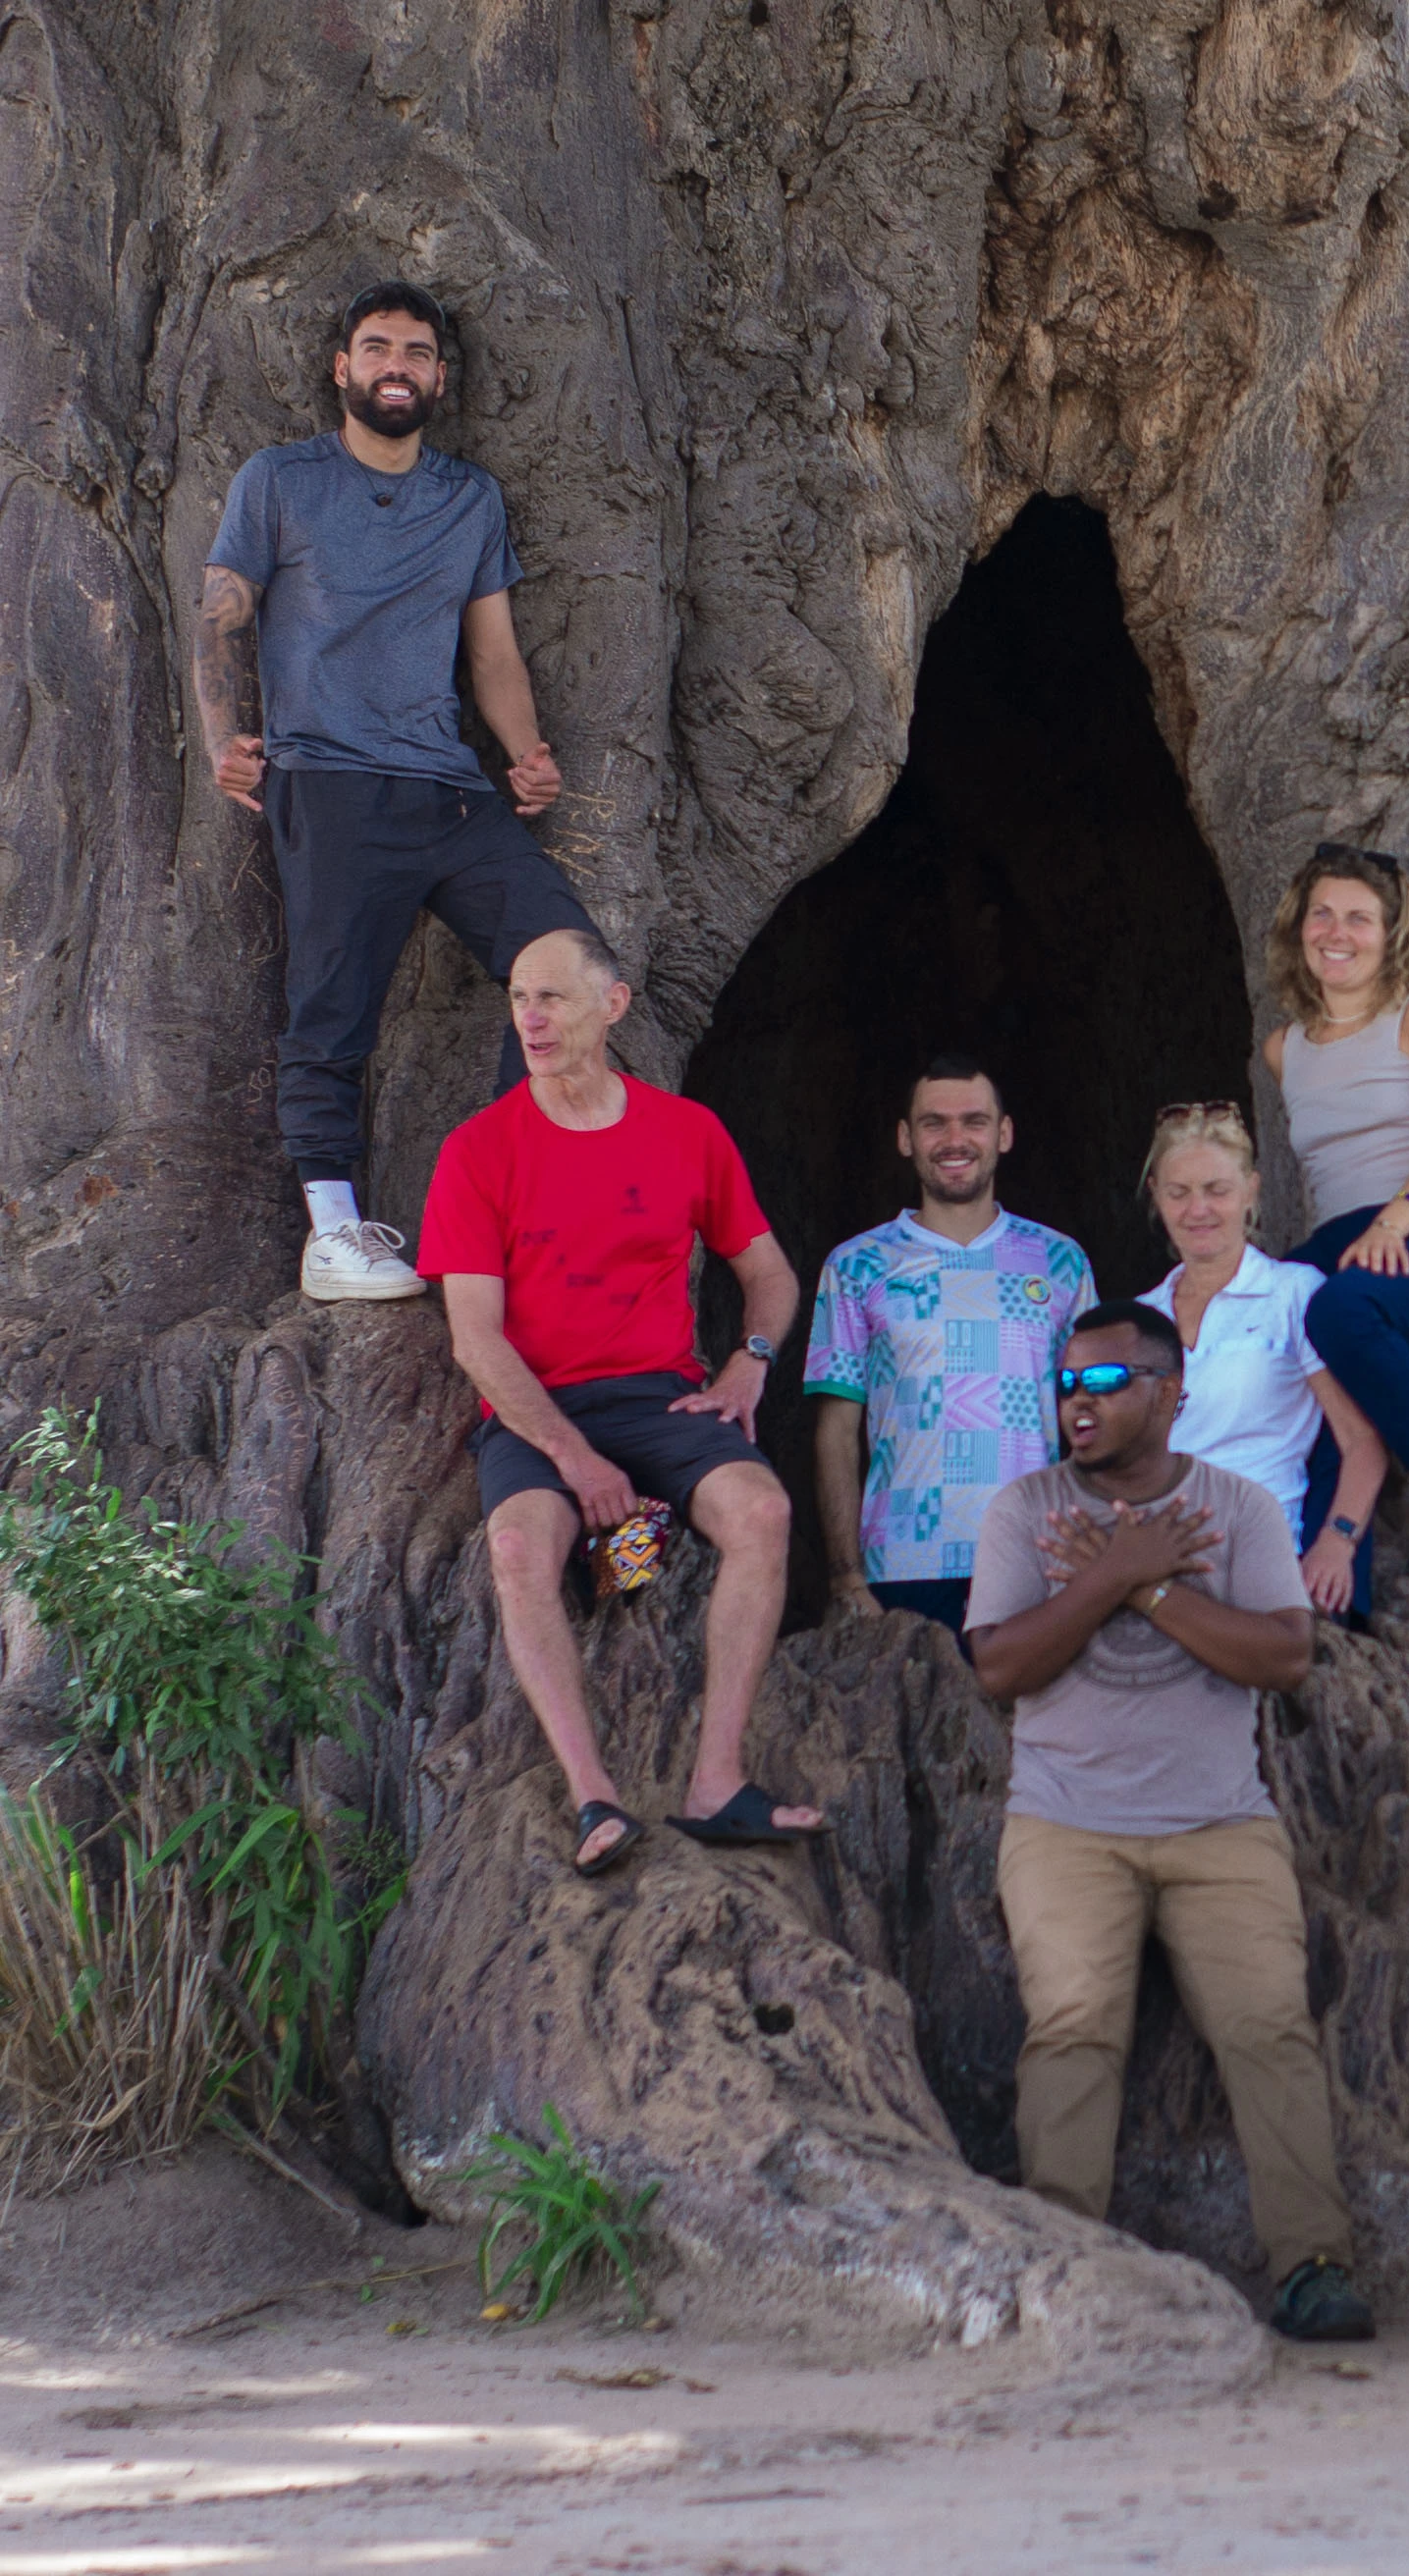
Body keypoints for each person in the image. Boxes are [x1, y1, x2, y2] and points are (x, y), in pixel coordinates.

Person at [964, 1302, 1374, 2344]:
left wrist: (1144, 1587)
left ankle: (1313, 2262)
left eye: (1104, 1383)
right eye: (1065, 1384)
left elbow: (1284, 1658)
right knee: (1071, 2030)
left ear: (1168, 1390)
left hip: (1221, 1825)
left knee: (1269, 2030)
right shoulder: (1026, 1508)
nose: (1077, 1403)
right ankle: (1065, 2263)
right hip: (1066, 1826)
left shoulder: (1235, 1508)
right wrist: (1112, 1570)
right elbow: (1001, 1666)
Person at [196, 281, 597, 1305]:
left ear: (439, 378)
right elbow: (219, 612)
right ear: (342, 367)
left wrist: (525, 751)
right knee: (329, 1012)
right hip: (328, 784)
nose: (396, 365)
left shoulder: (469, 498)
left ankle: (517, 1201)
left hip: (452, 793)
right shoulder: (280, 480)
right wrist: (219, 740)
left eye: (416, 352)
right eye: (376, 346)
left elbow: (492, 646)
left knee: (569, 968)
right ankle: (333, 1234)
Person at [416, 926, 827, 1876]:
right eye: (519, 998)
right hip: (533, 1408)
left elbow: (769, 1273)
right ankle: (594, 1795)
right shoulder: (478, 1151)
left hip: (661, 1400)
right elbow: (475, 1339)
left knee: (761, 1511)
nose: (530, 1017)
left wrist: (749, 1362)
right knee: (522, 1548)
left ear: (614, 1003)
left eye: (552, 997)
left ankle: (716, 1782)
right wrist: (573, 1458)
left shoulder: (686, 1131)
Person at [1259, 845, 1409, 1579]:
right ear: (1300, 927)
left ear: (1392, 933)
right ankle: (1332, 1578)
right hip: (1339, 1240)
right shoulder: (1283, 1048)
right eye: (1322, 913)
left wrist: (1393, 1222)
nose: (1338, 931)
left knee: (1339, 1311)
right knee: (1263, 1325)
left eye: (1359, 918)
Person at [803, 1055, 1099, 1633]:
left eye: (975, 1121)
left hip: (1038, 1559)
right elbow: (836, 1430)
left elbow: (1090, 1416)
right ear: (905, 1138)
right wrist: (844, 1576)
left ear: (1004, 1134)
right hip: (901, 1564)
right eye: (934, 1123)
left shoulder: (1061, 1261)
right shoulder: (857, 1264)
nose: (955, 1139)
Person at [1135, 1103, 1384, 1620]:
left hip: (1254, 1558)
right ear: (1156, 1195)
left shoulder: (1292, 1293)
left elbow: (1362, 1441)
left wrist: (1337, 1542)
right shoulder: (1140, 1317)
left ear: (1251, 1190)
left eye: (1217, 1190)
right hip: (1151, 1562)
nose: (1197, 1209)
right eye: (1179, 1193)